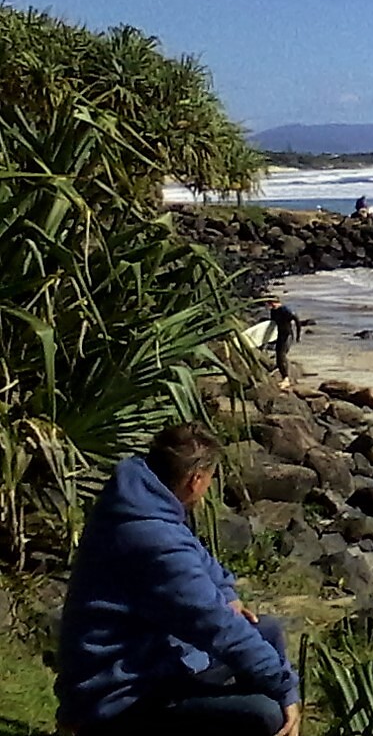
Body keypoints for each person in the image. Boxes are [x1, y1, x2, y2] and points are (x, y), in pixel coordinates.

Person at [56, 423, 302, 736]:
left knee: (266, 631)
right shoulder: (153, 539)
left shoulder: (138, 502)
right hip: (117, 696)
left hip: (147, 660)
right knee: (267, 715)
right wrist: (285, 690)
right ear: (195, 480)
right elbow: (214, 625)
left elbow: (200, 560)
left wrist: (227, 593)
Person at [267, 300, 303, 385]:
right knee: (278, 355)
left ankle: (286, 379)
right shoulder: (273, 311)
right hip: (280, 335)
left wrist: (298, 335)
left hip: (287, 335)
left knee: (281, 355)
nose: (272, 305)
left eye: (273, 303)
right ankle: (283, 375)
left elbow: (297, 320)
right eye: (270, 304)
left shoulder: (285, 310)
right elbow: (272, 324)